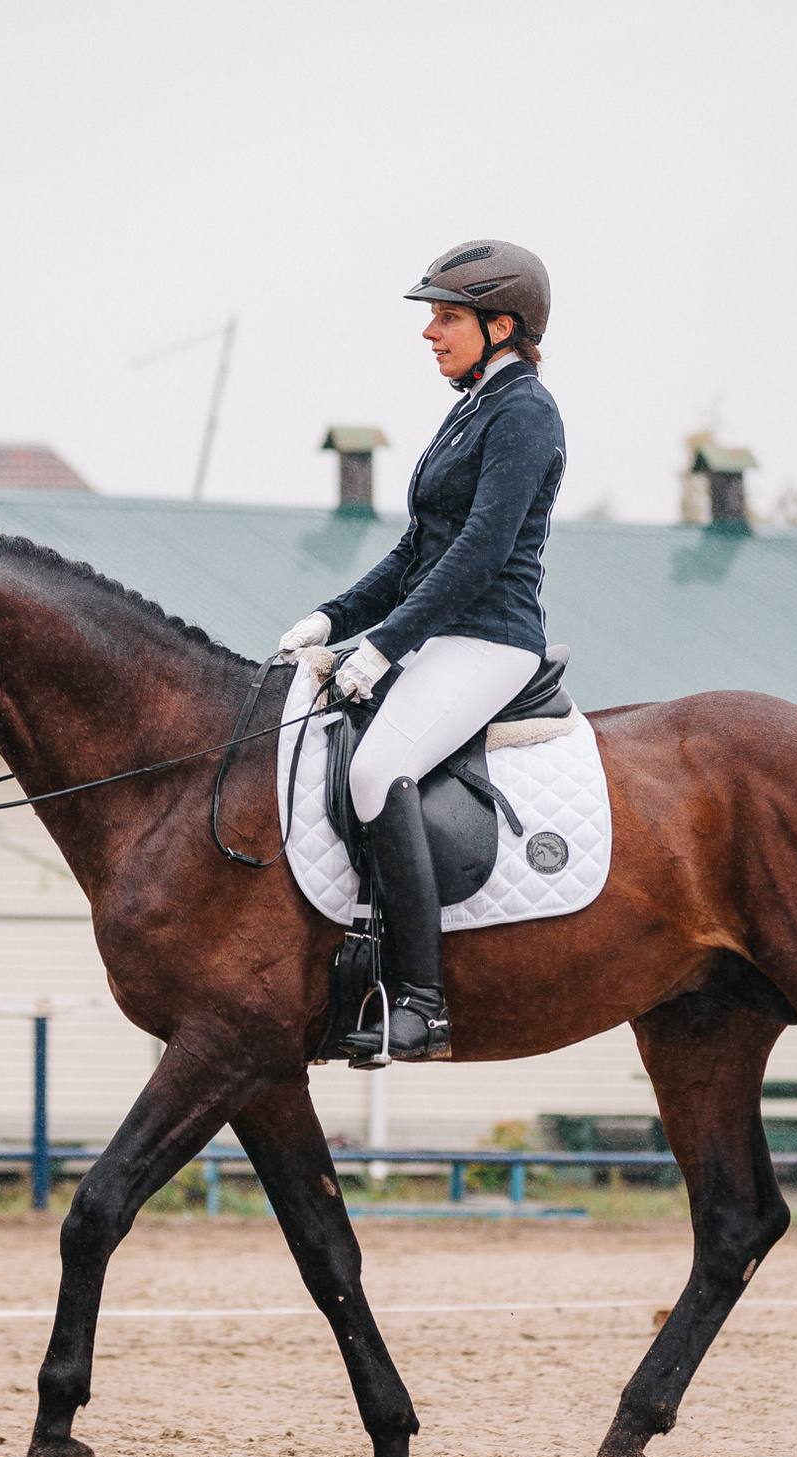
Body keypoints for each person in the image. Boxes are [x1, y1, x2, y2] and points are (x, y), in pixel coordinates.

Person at [274, 239, 564, 1064]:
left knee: (373, 774)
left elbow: (479, 551)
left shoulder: (525, 412)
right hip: (441, 633)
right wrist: (331, 619)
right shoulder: (472, 406)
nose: (429, 332)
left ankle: (425, 1002)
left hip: (490, 638)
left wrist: (386, 644)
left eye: (446, 317)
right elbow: (415, 554)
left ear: (501, 325)